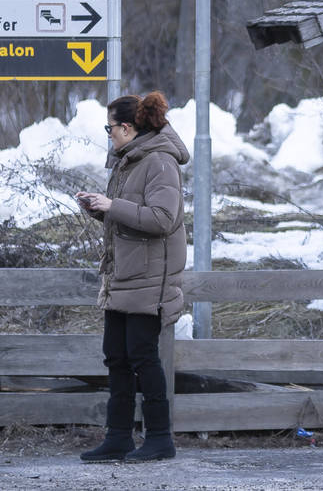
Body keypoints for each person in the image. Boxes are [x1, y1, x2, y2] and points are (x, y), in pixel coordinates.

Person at [75, 91, 189, 463]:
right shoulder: (128, 161)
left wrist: (112, 205)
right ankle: (119, 437)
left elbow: (161, 218)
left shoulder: (159, 161)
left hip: (148, 279)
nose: (108, 134)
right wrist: (98, 208)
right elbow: (127, 216)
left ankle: (160, 438)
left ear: (127, 127)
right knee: (117, 358)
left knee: (143, 358)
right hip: (122, 276)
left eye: (109, 128)